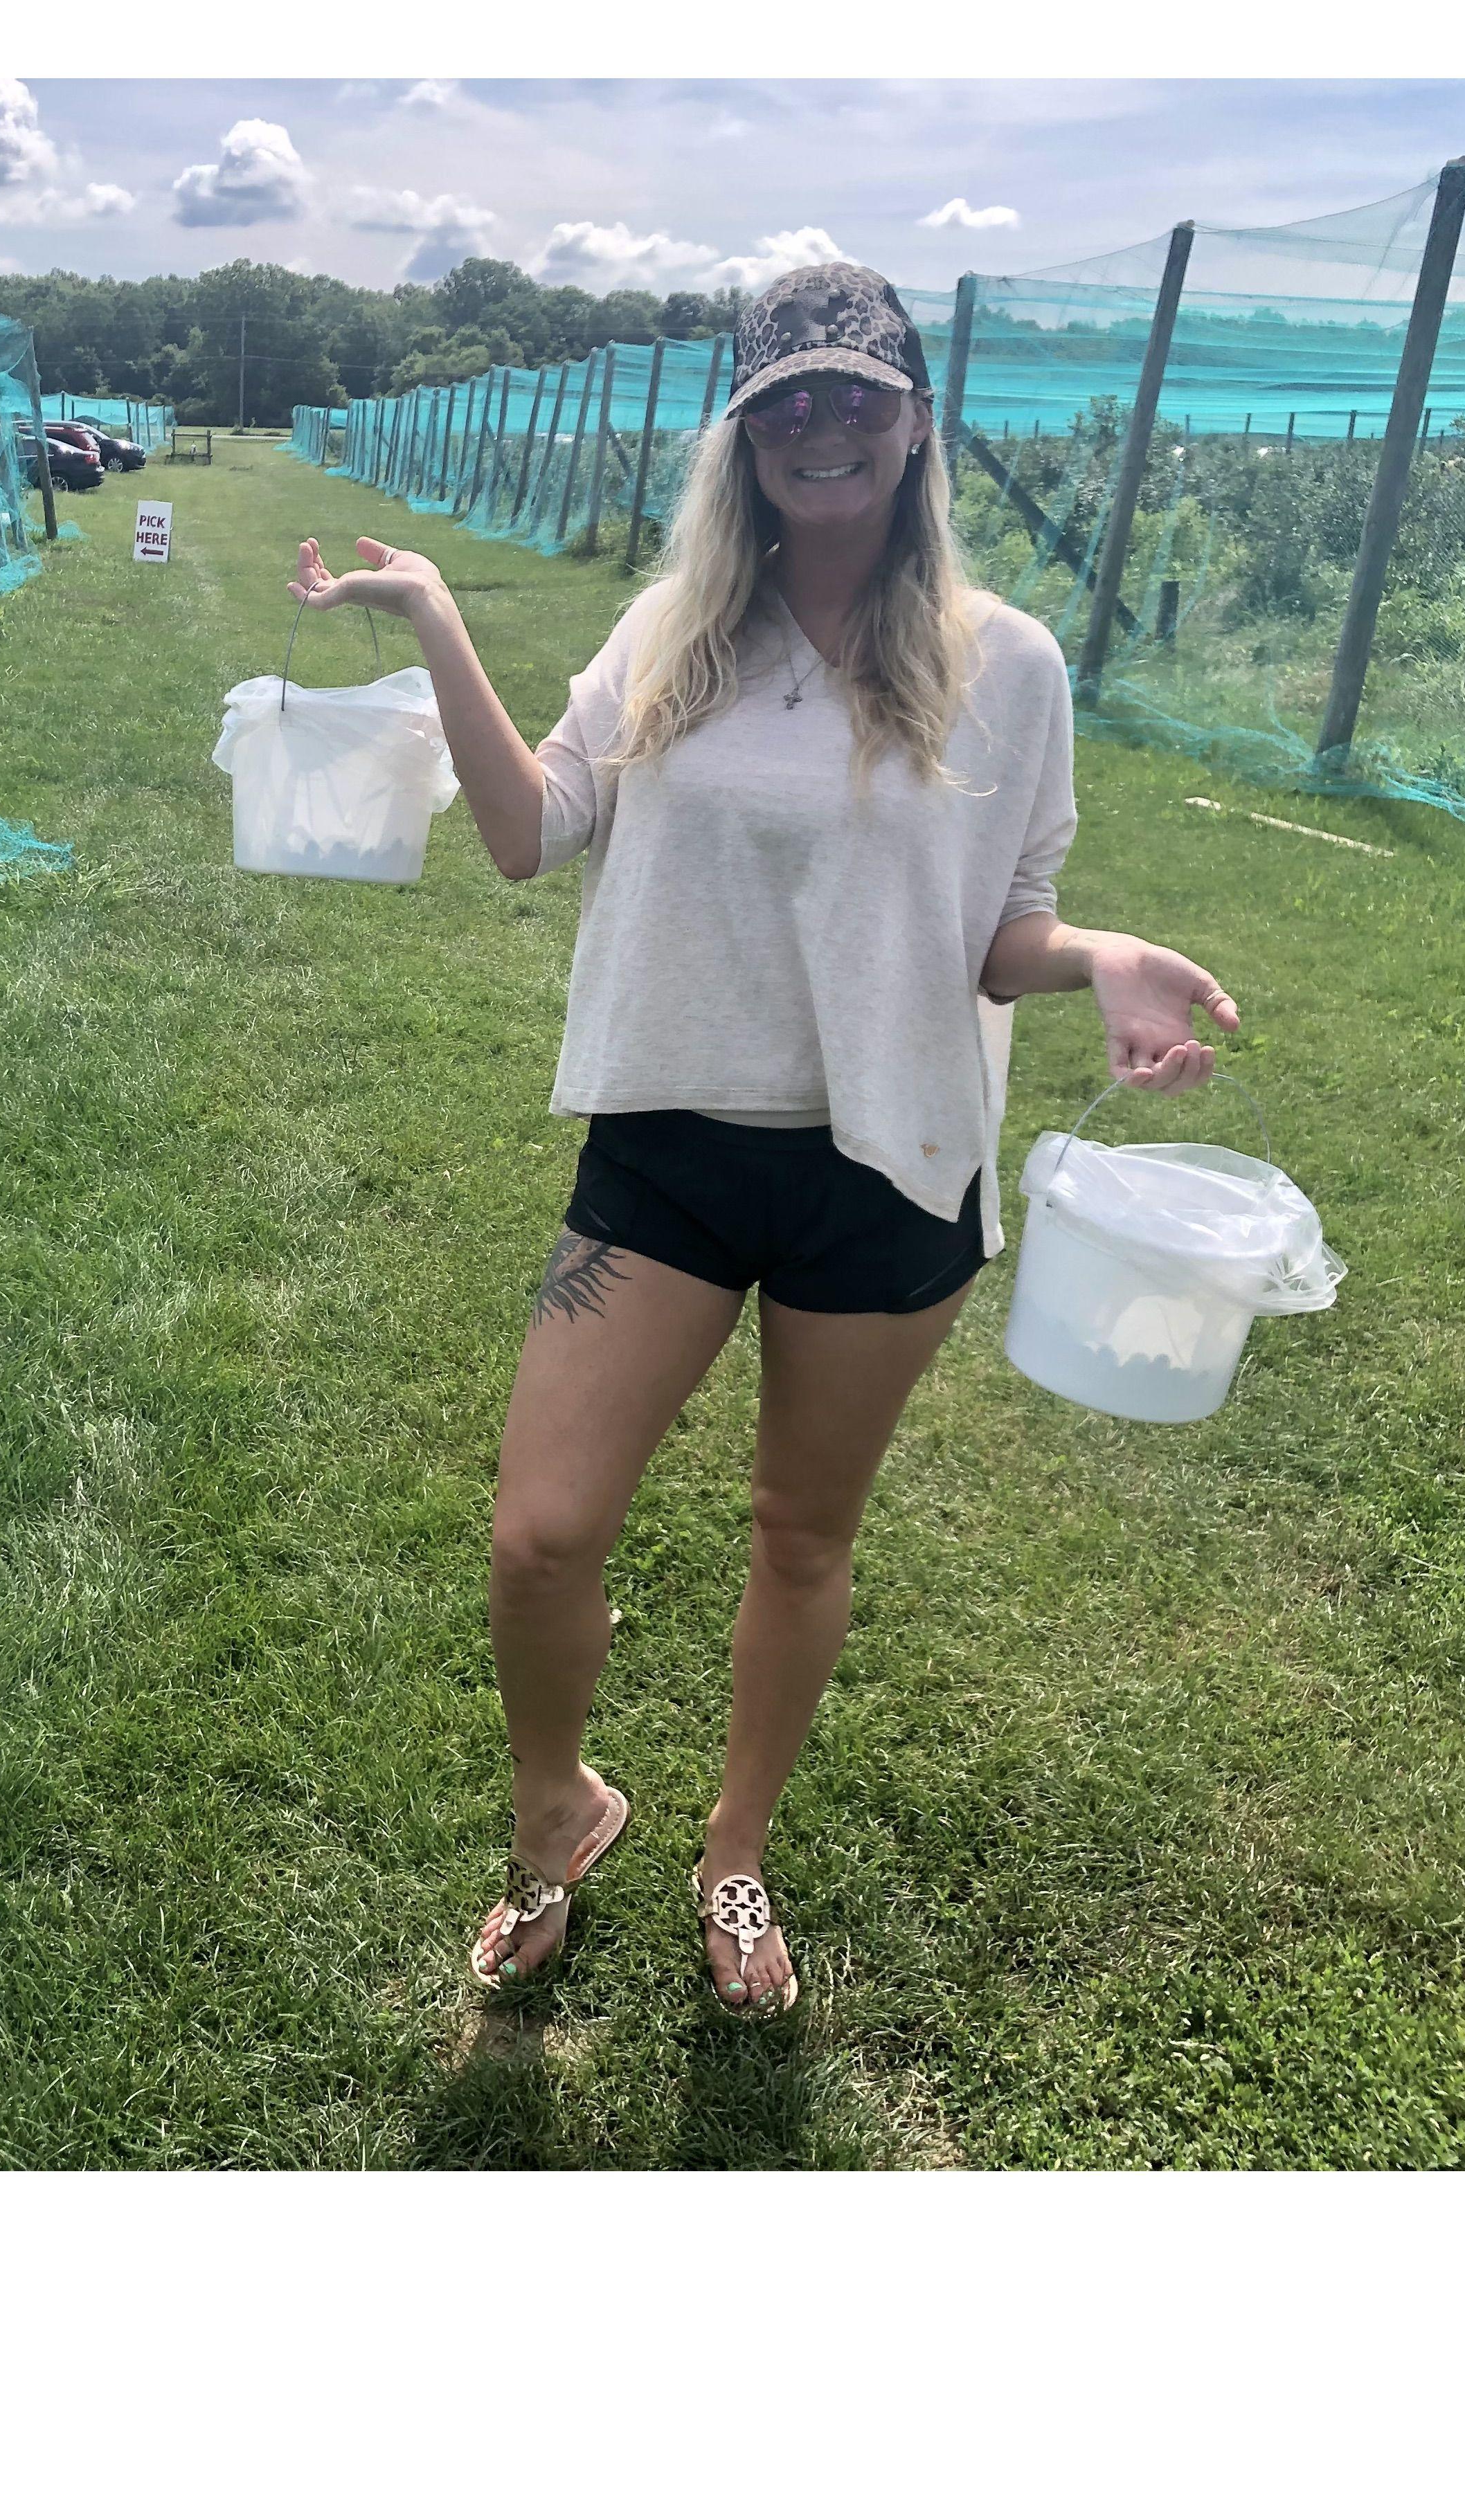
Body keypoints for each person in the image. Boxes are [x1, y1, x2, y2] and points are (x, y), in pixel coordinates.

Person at [287, 263, 1237, 2019]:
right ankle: (554, 1813)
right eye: (786, 400)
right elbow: (529, 833)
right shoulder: (671, 636)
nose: (822, 428)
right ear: (743, 433)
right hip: (667, 1148)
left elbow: (998, 927)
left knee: (803, 1533)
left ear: (914, 423)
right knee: (540, 1535)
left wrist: (1102, 956)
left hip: (888, 1171)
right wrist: (435, 624)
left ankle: (734, 1851)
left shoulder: (1003, 662)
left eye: (855, 397)